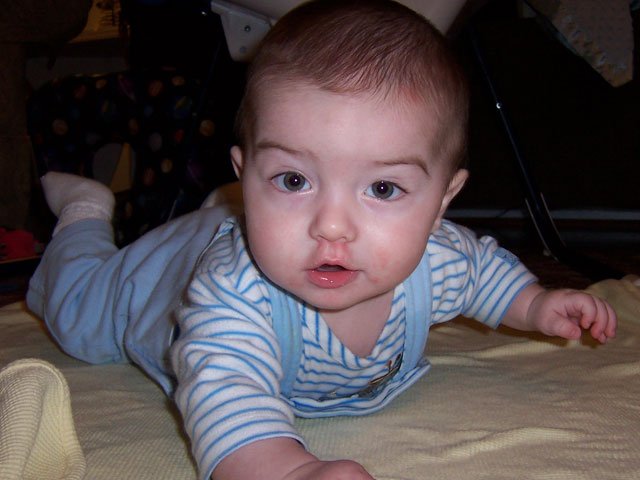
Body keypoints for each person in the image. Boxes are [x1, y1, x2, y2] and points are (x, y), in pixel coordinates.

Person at [26, 1, 617, 479]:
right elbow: (227, 396)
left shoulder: (436, 258)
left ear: (443, 200)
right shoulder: (232, 299)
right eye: (293, 179)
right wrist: (290, 470)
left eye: (382, 188)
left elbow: (483, 274)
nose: (331, 226)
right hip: (170, 274)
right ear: (246, 174)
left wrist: (534, 303)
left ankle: (247, 203)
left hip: (253, 226)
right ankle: (85, 213)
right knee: (79, 319)